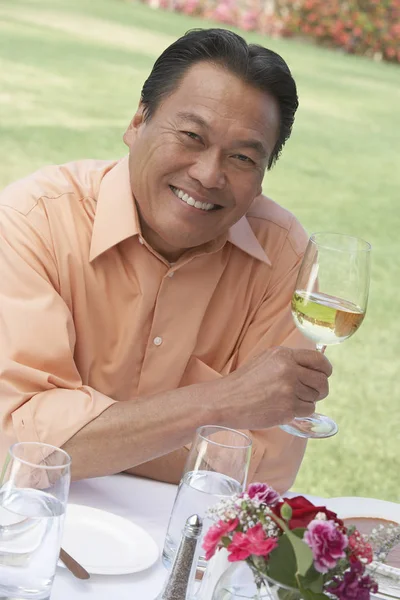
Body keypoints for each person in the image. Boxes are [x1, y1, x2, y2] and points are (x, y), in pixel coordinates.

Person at [0, 28, 332, 494]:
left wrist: (92, 434)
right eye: (192, 136)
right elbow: (18, 437)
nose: (208, 174)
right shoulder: (32, 221)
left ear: (262, 177)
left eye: (241, 157)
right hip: (34, 516)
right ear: (138, 122)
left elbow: (260, 470)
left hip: (181, 538)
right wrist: (222, 404)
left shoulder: (284, 257)